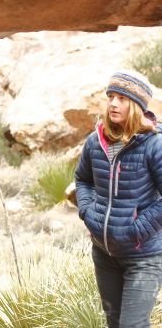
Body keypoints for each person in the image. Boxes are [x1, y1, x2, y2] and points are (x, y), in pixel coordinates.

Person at [75, 69, 162, 328]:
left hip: (143, 256)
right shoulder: (95, 141)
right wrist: (88, 212)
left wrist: (137, 230)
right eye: (110, 96)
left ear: (135, 105)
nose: (113, 103)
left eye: (122, 98)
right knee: (113, 322)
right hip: (104, 253)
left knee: (132, 325)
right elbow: (83, 180)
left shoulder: (153, 144)